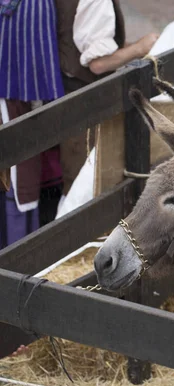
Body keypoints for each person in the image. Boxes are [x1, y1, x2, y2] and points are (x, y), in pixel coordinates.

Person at [54, 0, 158, 196]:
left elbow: (91, 45)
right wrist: (140, 48)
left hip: (71, 101)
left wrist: (134, 45)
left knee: (78, 184)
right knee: (86, 187)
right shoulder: (97, 2)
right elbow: (98, 63)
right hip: (87, 107)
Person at [0, 0, 66, 248]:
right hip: (16, 110)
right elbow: (40, 73)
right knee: (19, 182)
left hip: (11, 105)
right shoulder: (36, 4)